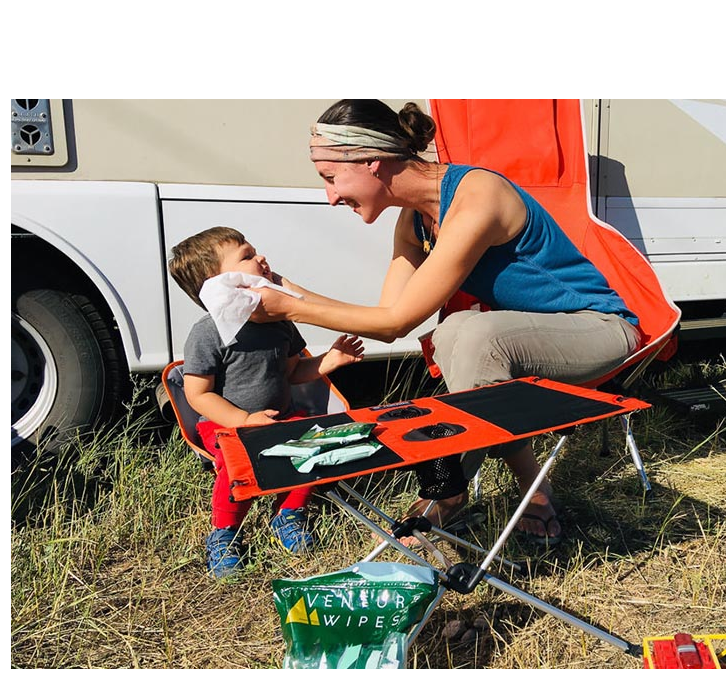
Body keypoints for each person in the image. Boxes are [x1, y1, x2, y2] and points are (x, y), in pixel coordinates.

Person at [249, 99, 640, 548]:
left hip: (600, 328)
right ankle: (525, 486)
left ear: (370, 160)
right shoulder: (414, 222)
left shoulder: (477, 197)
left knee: (478, 335)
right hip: (523, 334)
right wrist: (287, 291)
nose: (331, 196)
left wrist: (288, 308)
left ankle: (448, 487)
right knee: (454, 331)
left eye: (330, 177)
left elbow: (395, 323)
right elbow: (387, 315)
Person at [168, 226, 365, 577]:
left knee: (311, 446)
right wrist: (243, 420)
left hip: (280, 416)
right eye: (246, 256)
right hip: (226, 424)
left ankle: (288, 514)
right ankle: (225, 533)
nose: (260, 257)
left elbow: (292, 371)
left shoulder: (280, 322)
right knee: (236, 462)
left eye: (255, 250)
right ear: (219, 282)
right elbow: (198, 394)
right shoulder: (208, 332)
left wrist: (329, 361)